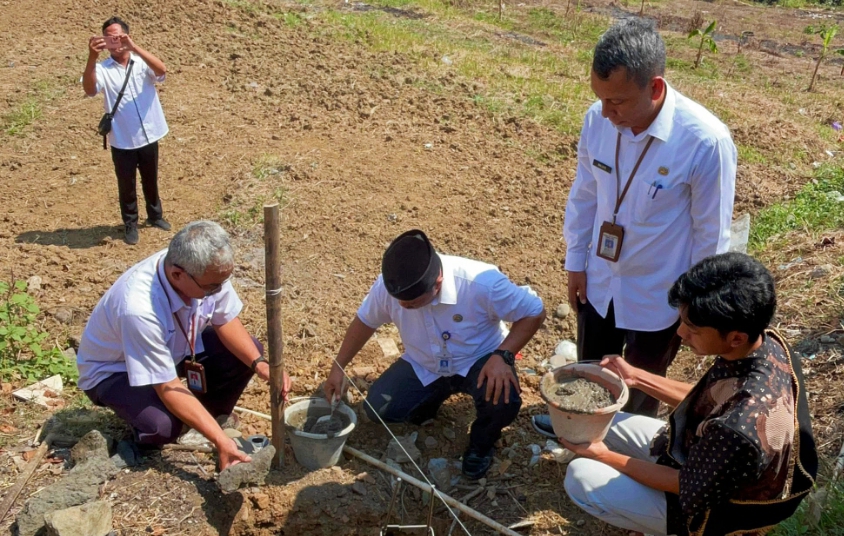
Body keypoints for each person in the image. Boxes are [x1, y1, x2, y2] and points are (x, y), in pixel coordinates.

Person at [535, 18, 737, 433]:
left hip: (657, 295)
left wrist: (692, 307)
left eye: (619, 102)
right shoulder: (598, 119)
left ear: (656, 88)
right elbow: (585, 195)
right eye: (600, 99)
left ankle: (624, 454)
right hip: (599, 280)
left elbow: (709, 238)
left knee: (640, 388)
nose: (607, 113)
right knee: (590, 371)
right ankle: (579, 429)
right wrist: (577, 262)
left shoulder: (704, 142)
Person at [559, 253, 817, 536]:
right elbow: (710, 399)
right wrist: (636, 377)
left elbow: (685, 483)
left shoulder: (740, 428)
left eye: (692, 328)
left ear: (735, 337)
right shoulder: (767, 343)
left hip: (718, 508)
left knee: (580, 477)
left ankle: (663, 529)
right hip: (710, 455)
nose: (680, 332)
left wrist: (603, 456)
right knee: (605, 424)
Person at [324, 230, 545, 479]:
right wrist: (338, 366)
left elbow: (534, 311)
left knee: (503, 400)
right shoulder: (391, 289)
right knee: (380, 409)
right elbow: (365, 321)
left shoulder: (481, 284)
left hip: (479, 359)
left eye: (410, 304)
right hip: (424, 363)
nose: (401, 307)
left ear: (437, 283)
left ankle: (482, 444)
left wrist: (503, 355)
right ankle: (432, 399)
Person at [76, 221, 291, 470]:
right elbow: (167, 385)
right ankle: (151, 431)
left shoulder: (207, 272)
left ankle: (206, 419)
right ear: (178, 274)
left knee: (245, 353)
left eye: (222, 283)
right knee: (164, 426)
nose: (218, 290)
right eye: (212, 287)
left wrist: (260, 364)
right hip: (116, 372)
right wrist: (221, 441)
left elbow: (225, 319)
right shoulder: (139, 308)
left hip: (174, 350)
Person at [83, 16, 171, 245]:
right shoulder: (102, 69)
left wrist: (134, 48)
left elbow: (162, 71)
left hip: (150, 133)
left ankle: (155, 216)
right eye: (109, 37)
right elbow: (90, 90)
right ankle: (130, 224)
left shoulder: (141, 62)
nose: (115, 40)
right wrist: (92, 57)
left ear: (127, 35)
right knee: (126, 184)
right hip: (122, 138)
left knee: (151, 178)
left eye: (118, 35)